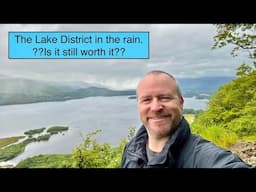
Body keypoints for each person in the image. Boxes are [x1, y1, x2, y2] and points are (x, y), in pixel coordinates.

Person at [120, 70, 252, 168]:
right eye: (146, 100)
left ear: (181, 102)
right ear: (138, 106)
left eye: (164, 98)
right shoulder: (131, 149)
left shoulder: (203, 156)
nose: (155, 107)